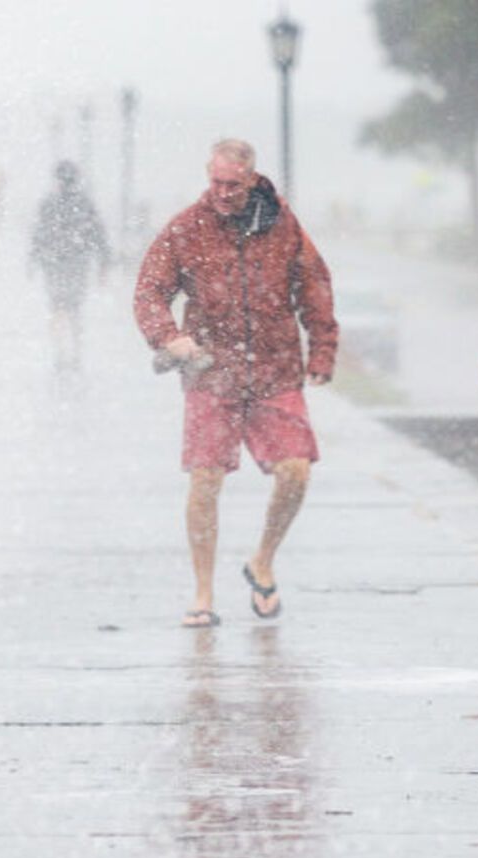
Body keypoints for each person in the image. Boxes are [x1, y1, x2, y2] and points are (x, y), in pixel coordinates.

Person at [133, 139, 338, 628]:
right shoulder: (187, 228)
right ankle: (202, 593)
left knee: (296, 472)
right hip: (211, 371)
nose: (222, 193)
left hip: (274, 368)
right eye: (216, 183)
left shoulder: (282, 224)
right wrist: (170, 337)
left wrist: (323, 348)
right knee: (205, 479)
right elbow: (149, 292)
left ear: (252, 179)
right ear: (208, 175)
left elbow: (314, 285)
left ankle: (262, 558)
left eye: (233, 185)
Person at [30, 160, 111, 371]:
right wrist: (104, 262)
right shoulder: (84, 203)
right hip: (77, 263)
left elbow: (39, 234)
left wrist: (33, 259)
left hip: (54, 263)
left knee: (57, 307)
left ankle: (60, 352)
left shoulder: (49, 204)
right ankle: (75, 351)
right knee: (74, 309)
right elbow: (98, 234)